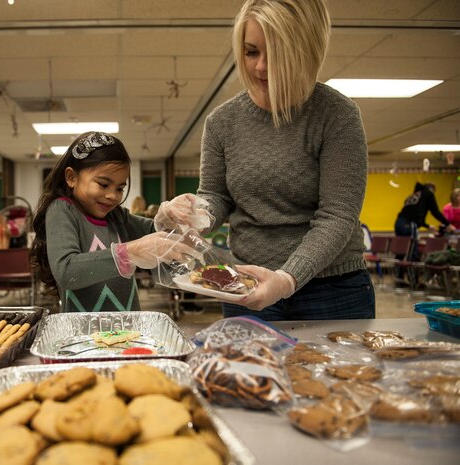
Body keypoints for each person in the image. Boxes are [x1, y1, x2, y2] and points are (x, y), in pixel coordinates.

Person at [155, 0, 375, 321]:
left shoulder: (336, 115)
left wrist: (287, 279)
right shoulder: (222, 122)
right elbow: (217, 196)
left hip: (332, 289)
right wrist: (194, 215)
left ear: (307, 50)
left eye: (277, 54)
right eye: (251, 52)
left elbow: (337, 216)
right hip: (244, 284)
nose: (260, 67)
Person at [30, 131, 201, 312]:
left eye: (120, 188)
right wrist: (127, 253)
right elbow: (66, 271)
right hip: (84, 334)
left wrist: (169, 218)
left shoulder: (117, 216)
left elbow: (158, 233)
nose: (112, 196)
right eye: (103, 184)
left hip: (128, 329)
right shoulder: (62, 210)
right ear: (72, 177)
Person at [395, 182, 454, 261]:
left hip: (399, 222)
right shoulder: (428, 193)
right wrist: (448, 224)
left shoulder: (414, 195)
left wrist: (428, 226)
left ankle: (400, 272)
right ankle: (412, 271)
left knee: (401, 248)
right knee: (412, 249)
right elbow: (435, 212)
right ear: (431, 190)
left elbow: (414, 214)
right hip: (409, 223)